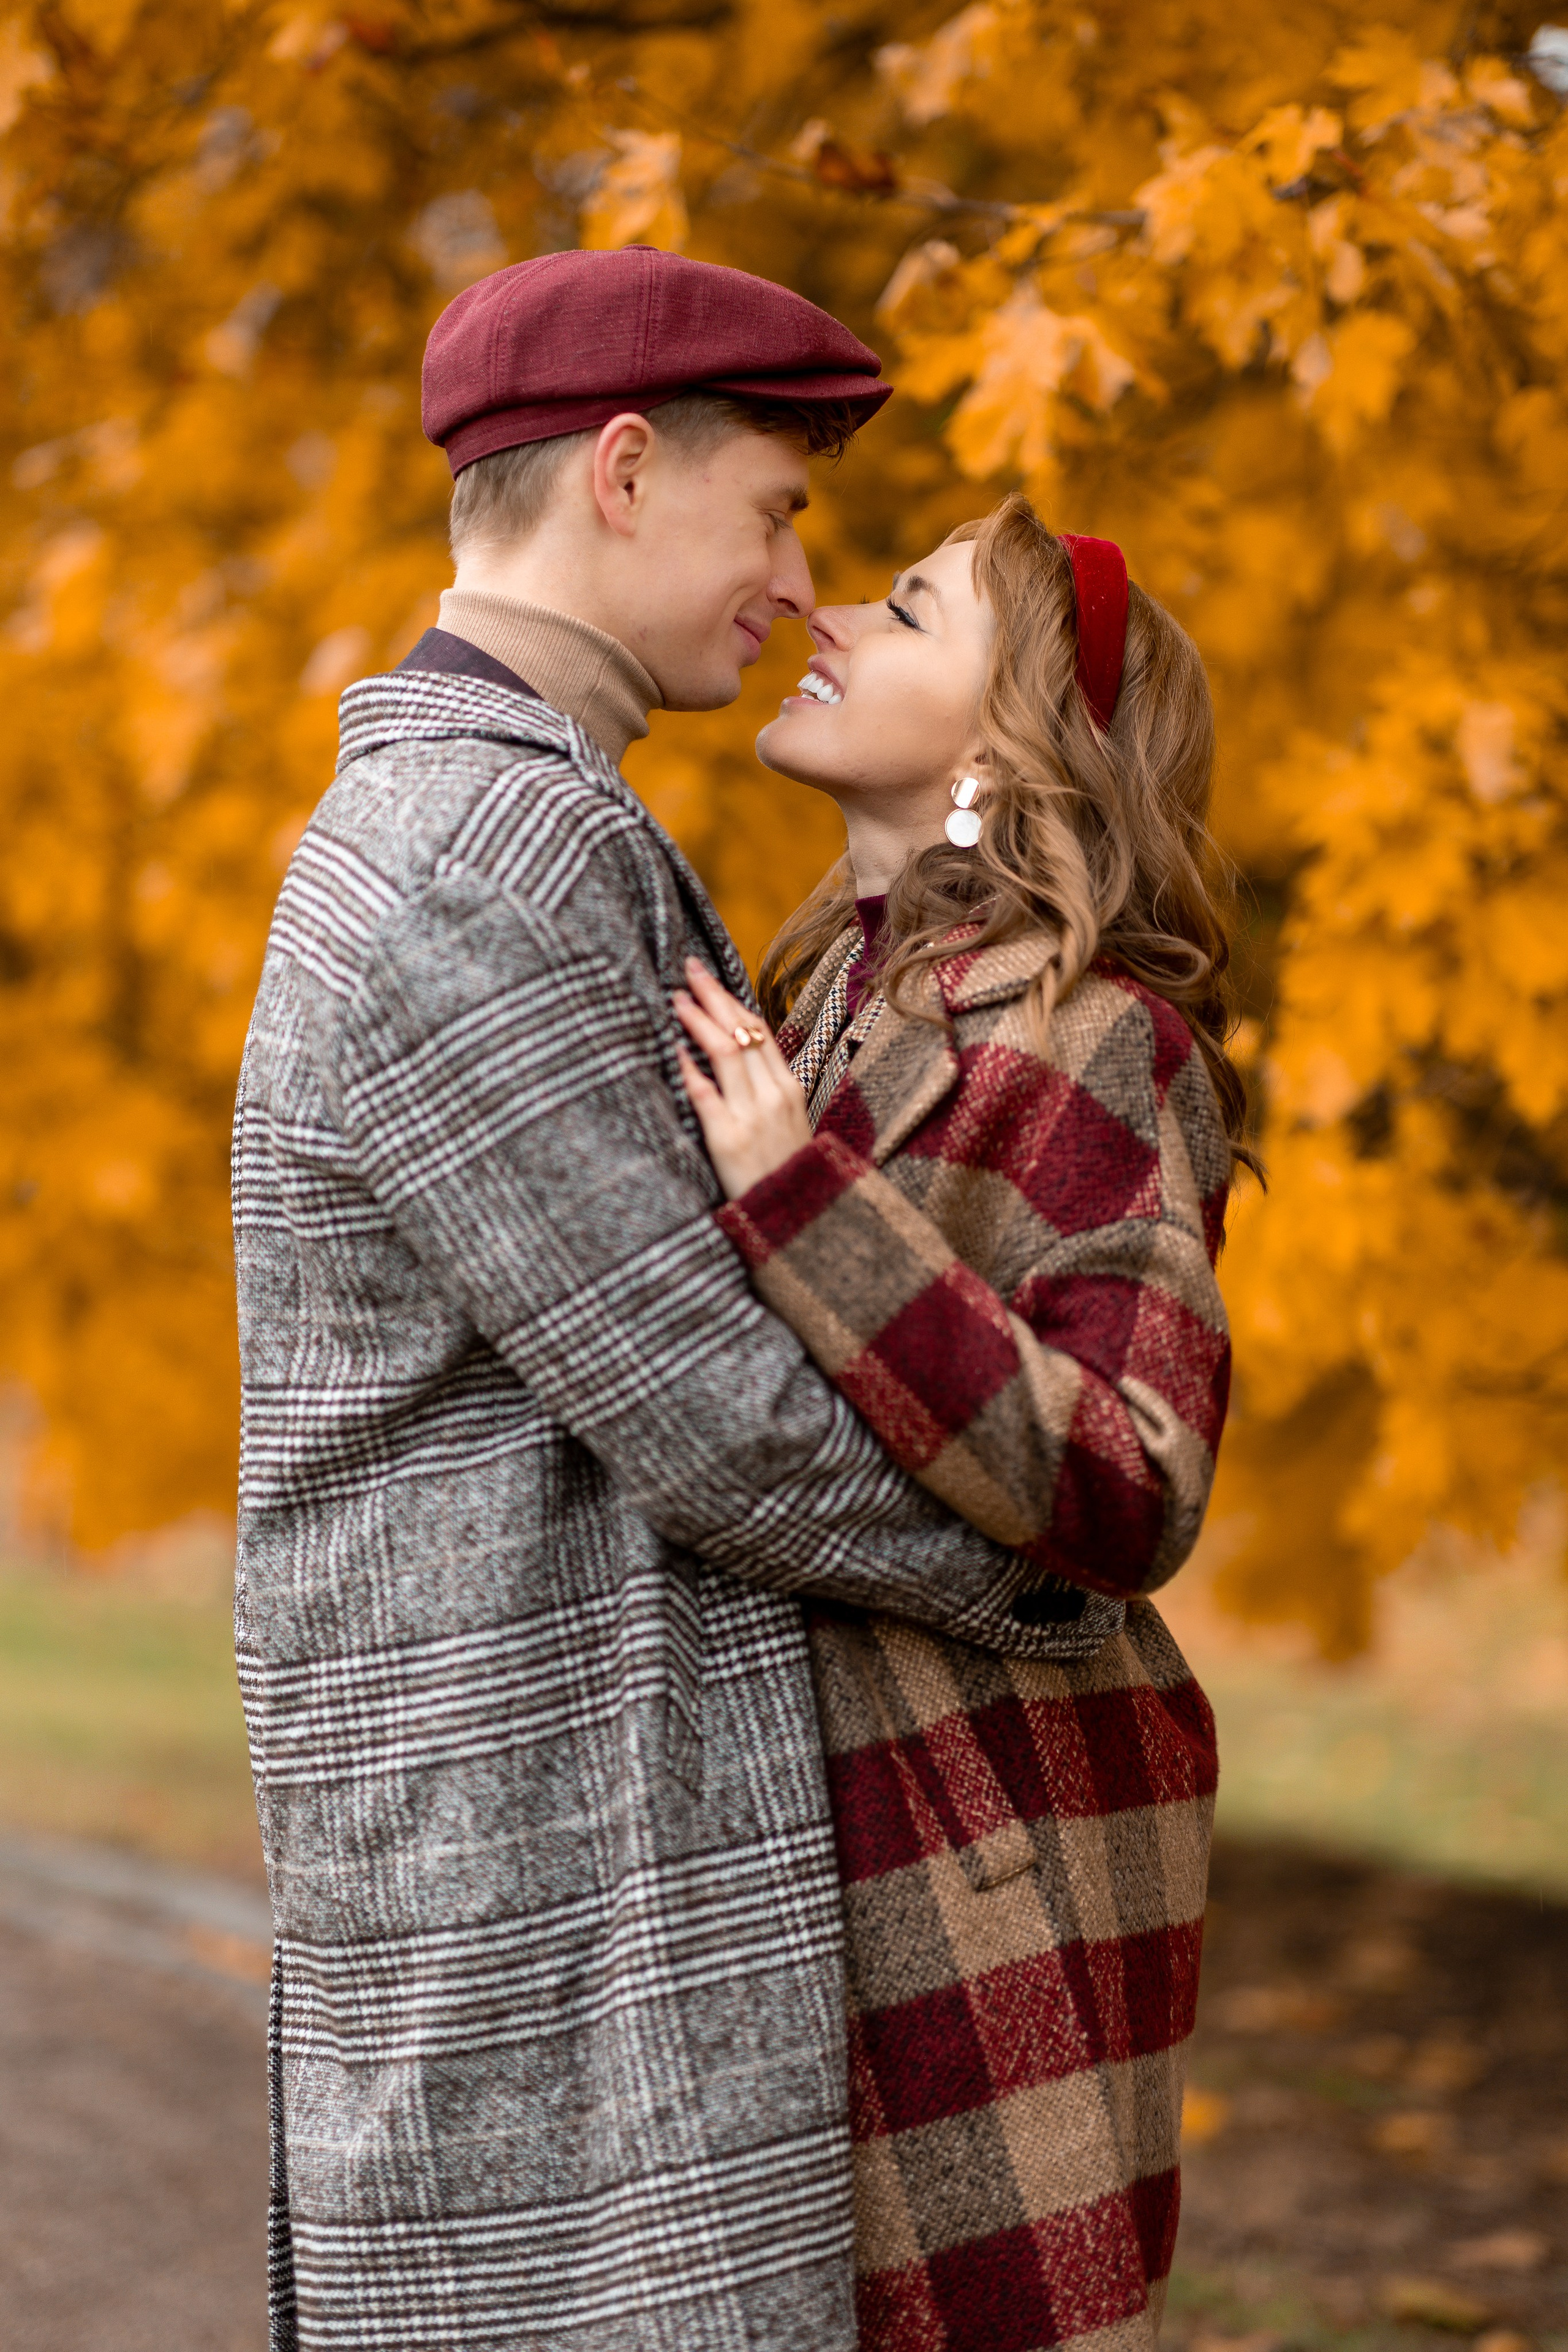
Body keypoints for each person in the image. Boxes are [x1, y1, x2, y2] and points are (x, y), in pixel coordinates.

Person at [233, 250, 1096, 2352]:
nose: (800, 579)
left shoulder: (531, 819)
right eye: (780, 508)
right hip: (537, 1846)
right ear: (624, 472)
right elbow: (704, 1405)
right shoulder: (472, 850)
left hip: (565, 1824)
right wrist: (1056, 1579)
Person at [673, 494, 1247, 2352]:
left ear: (1009, 743)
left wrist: (804, 1202)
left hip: (983, 1833)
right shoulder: (797, 990)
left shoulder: (1102, 1043)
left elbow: (1131, 1482)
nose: (822, 611)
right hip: (783, 1815)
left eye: (903, 607)